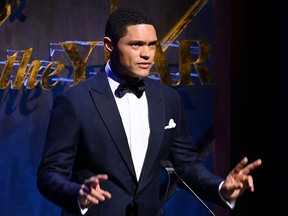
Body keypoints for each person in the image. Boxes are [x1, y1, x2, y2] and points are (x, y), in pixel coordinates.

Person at [36, 7, 262, 216]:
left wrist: (221, 188)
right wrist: (77, 194)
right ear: (109, 45)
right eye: (136, 45)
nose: (147, 54)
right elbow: (49, 175)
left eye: (152, 44)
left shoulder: (168, 99)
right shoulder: (75, 102)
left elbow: (186, 165)